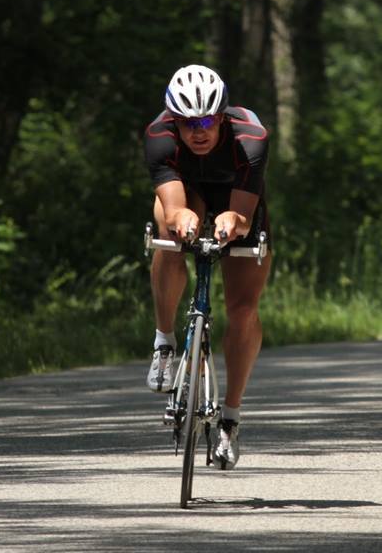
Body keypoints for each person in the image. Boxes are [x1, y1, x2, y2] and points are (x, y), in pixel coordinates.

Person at [143, 64, 271, 470]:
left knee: (243, 309)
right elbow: (174, 201)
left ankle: (230, 418)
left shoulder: (251, 139)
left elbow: (245, 216)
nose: (198, 131)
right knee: (169, 227)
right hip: (190, 191)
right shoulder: (159, 138)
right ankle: (164, 341)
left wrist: (234, 221)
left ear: (220, 116)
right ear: (174, 121)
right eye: (187, 122)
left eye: (206, 120)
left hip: (236, 197)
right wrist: (181, 217)